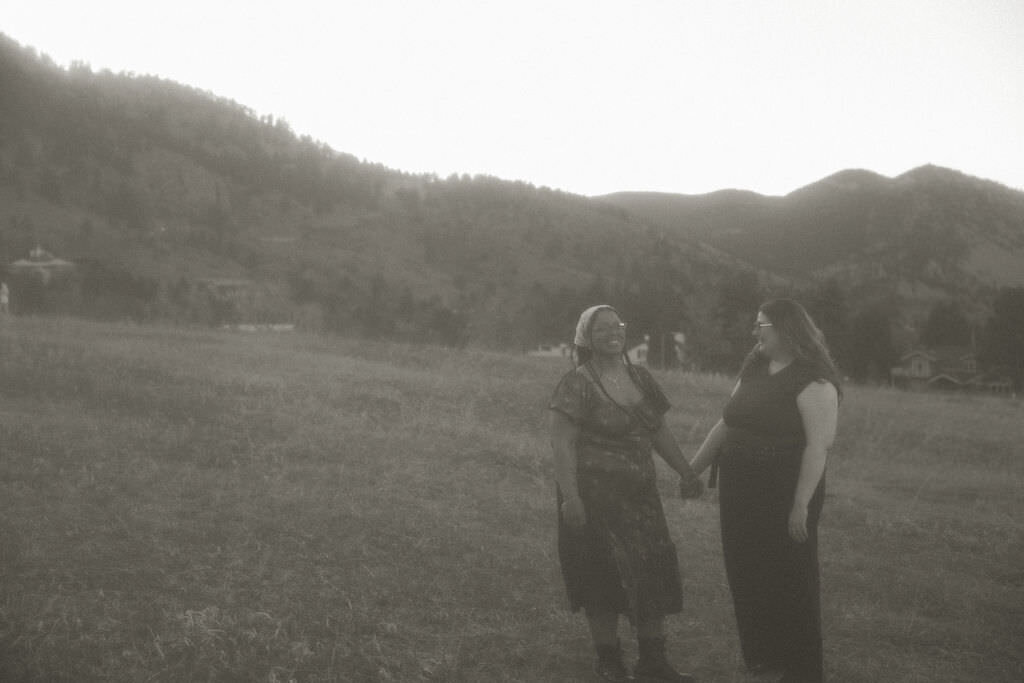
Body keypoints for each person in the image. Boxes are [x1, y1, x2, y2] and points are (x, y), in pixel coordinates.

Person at [549, 304, 704, 683]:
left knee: (651, 569)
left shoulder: (642, 378)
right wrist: (571, 497)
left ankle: (653, 662)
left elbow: (658, 432)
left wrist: (686, 471)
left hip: (642, 500)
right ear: (586, 337)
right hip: (593, 500)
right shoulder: (577, 383)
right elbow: (562, 444)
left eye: (616, 325)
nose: (611, 332)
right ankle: (609, 662)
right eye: (600, 328)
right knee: (601, 576)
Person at [689, 299, 840, 683]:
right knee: (746, 569)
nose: (755, 332)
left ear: (787, 330)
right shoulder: (754, 366)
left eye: (762, 325)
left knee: (790, 573)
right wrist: (693, 469)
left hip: (786, 487)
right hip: (741, 486)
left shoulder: (813, 378)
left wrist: (800, 505)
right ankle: (763, 656)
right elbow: (727, 422)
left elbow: (817, 446)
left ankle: (801, 668)